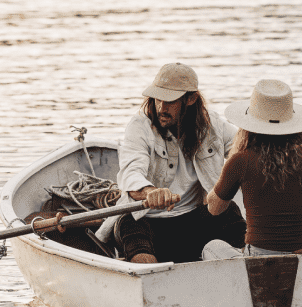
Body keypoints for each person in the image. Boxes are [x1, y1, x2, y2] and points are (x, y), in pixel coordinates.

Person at [99, 62, 248, 264]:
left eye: (170, 101)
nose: (162, 107)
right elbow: (130, 173)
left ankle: (247, 269)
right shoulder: (139, 126)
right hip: (144, 220)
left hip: (193, 220)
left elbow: (245, 151)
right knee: (134, 235)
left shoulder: (212, 124)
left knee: (228, 212)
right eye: (158, 98)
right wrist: (151, 192)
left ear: (191, 99)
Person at [202, 78, 302, 258]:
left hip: (260, 256)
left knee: (211, 247)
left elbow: (214, 209)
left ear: (249, 125)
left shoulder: (240, 160)